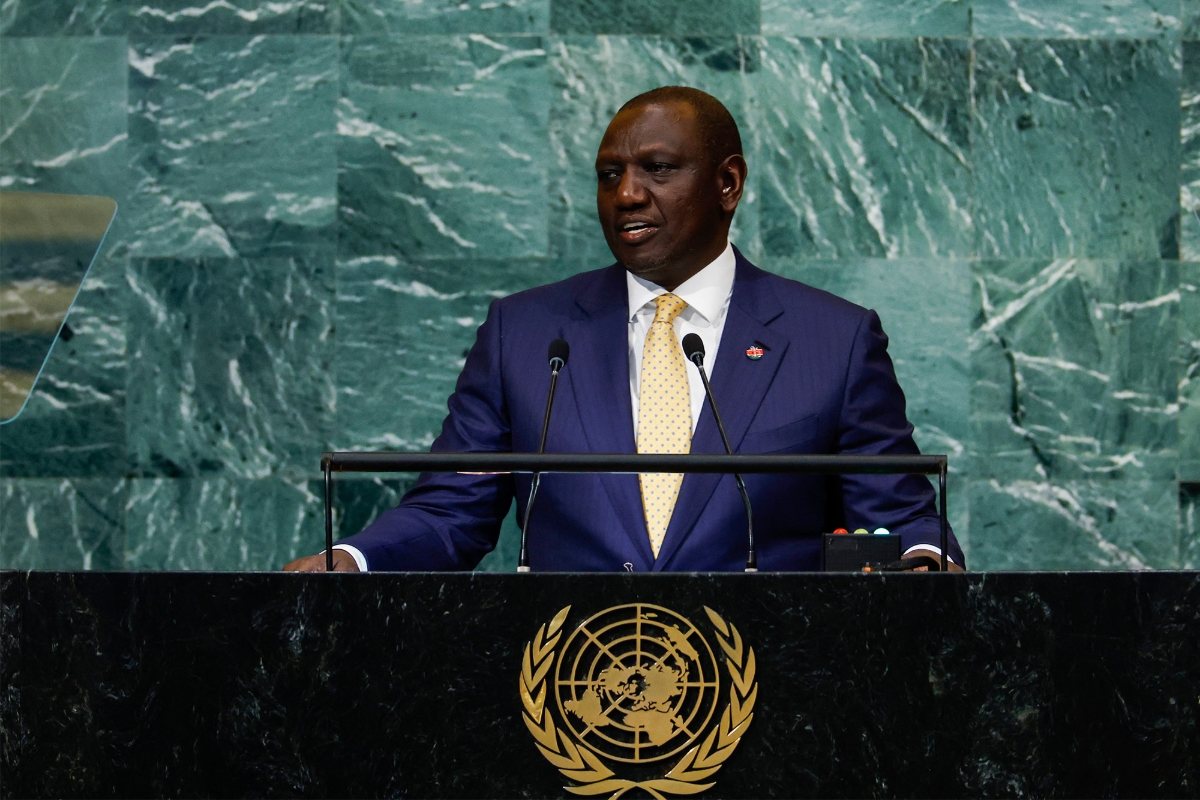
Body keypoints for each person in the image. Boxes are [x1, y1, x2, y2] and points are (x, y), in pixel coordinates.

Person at [285, 86, 964, 573]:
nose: (627, 195)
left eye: (657, 170)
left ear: (728, 184)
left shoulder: (833, 341)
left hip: (774, 712)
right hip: (567, 699)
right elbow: (450, 510)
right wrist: (352, 560)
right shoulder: (524, 334)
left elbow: (901, 516)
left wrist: (925, 562)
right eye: (610, 175)